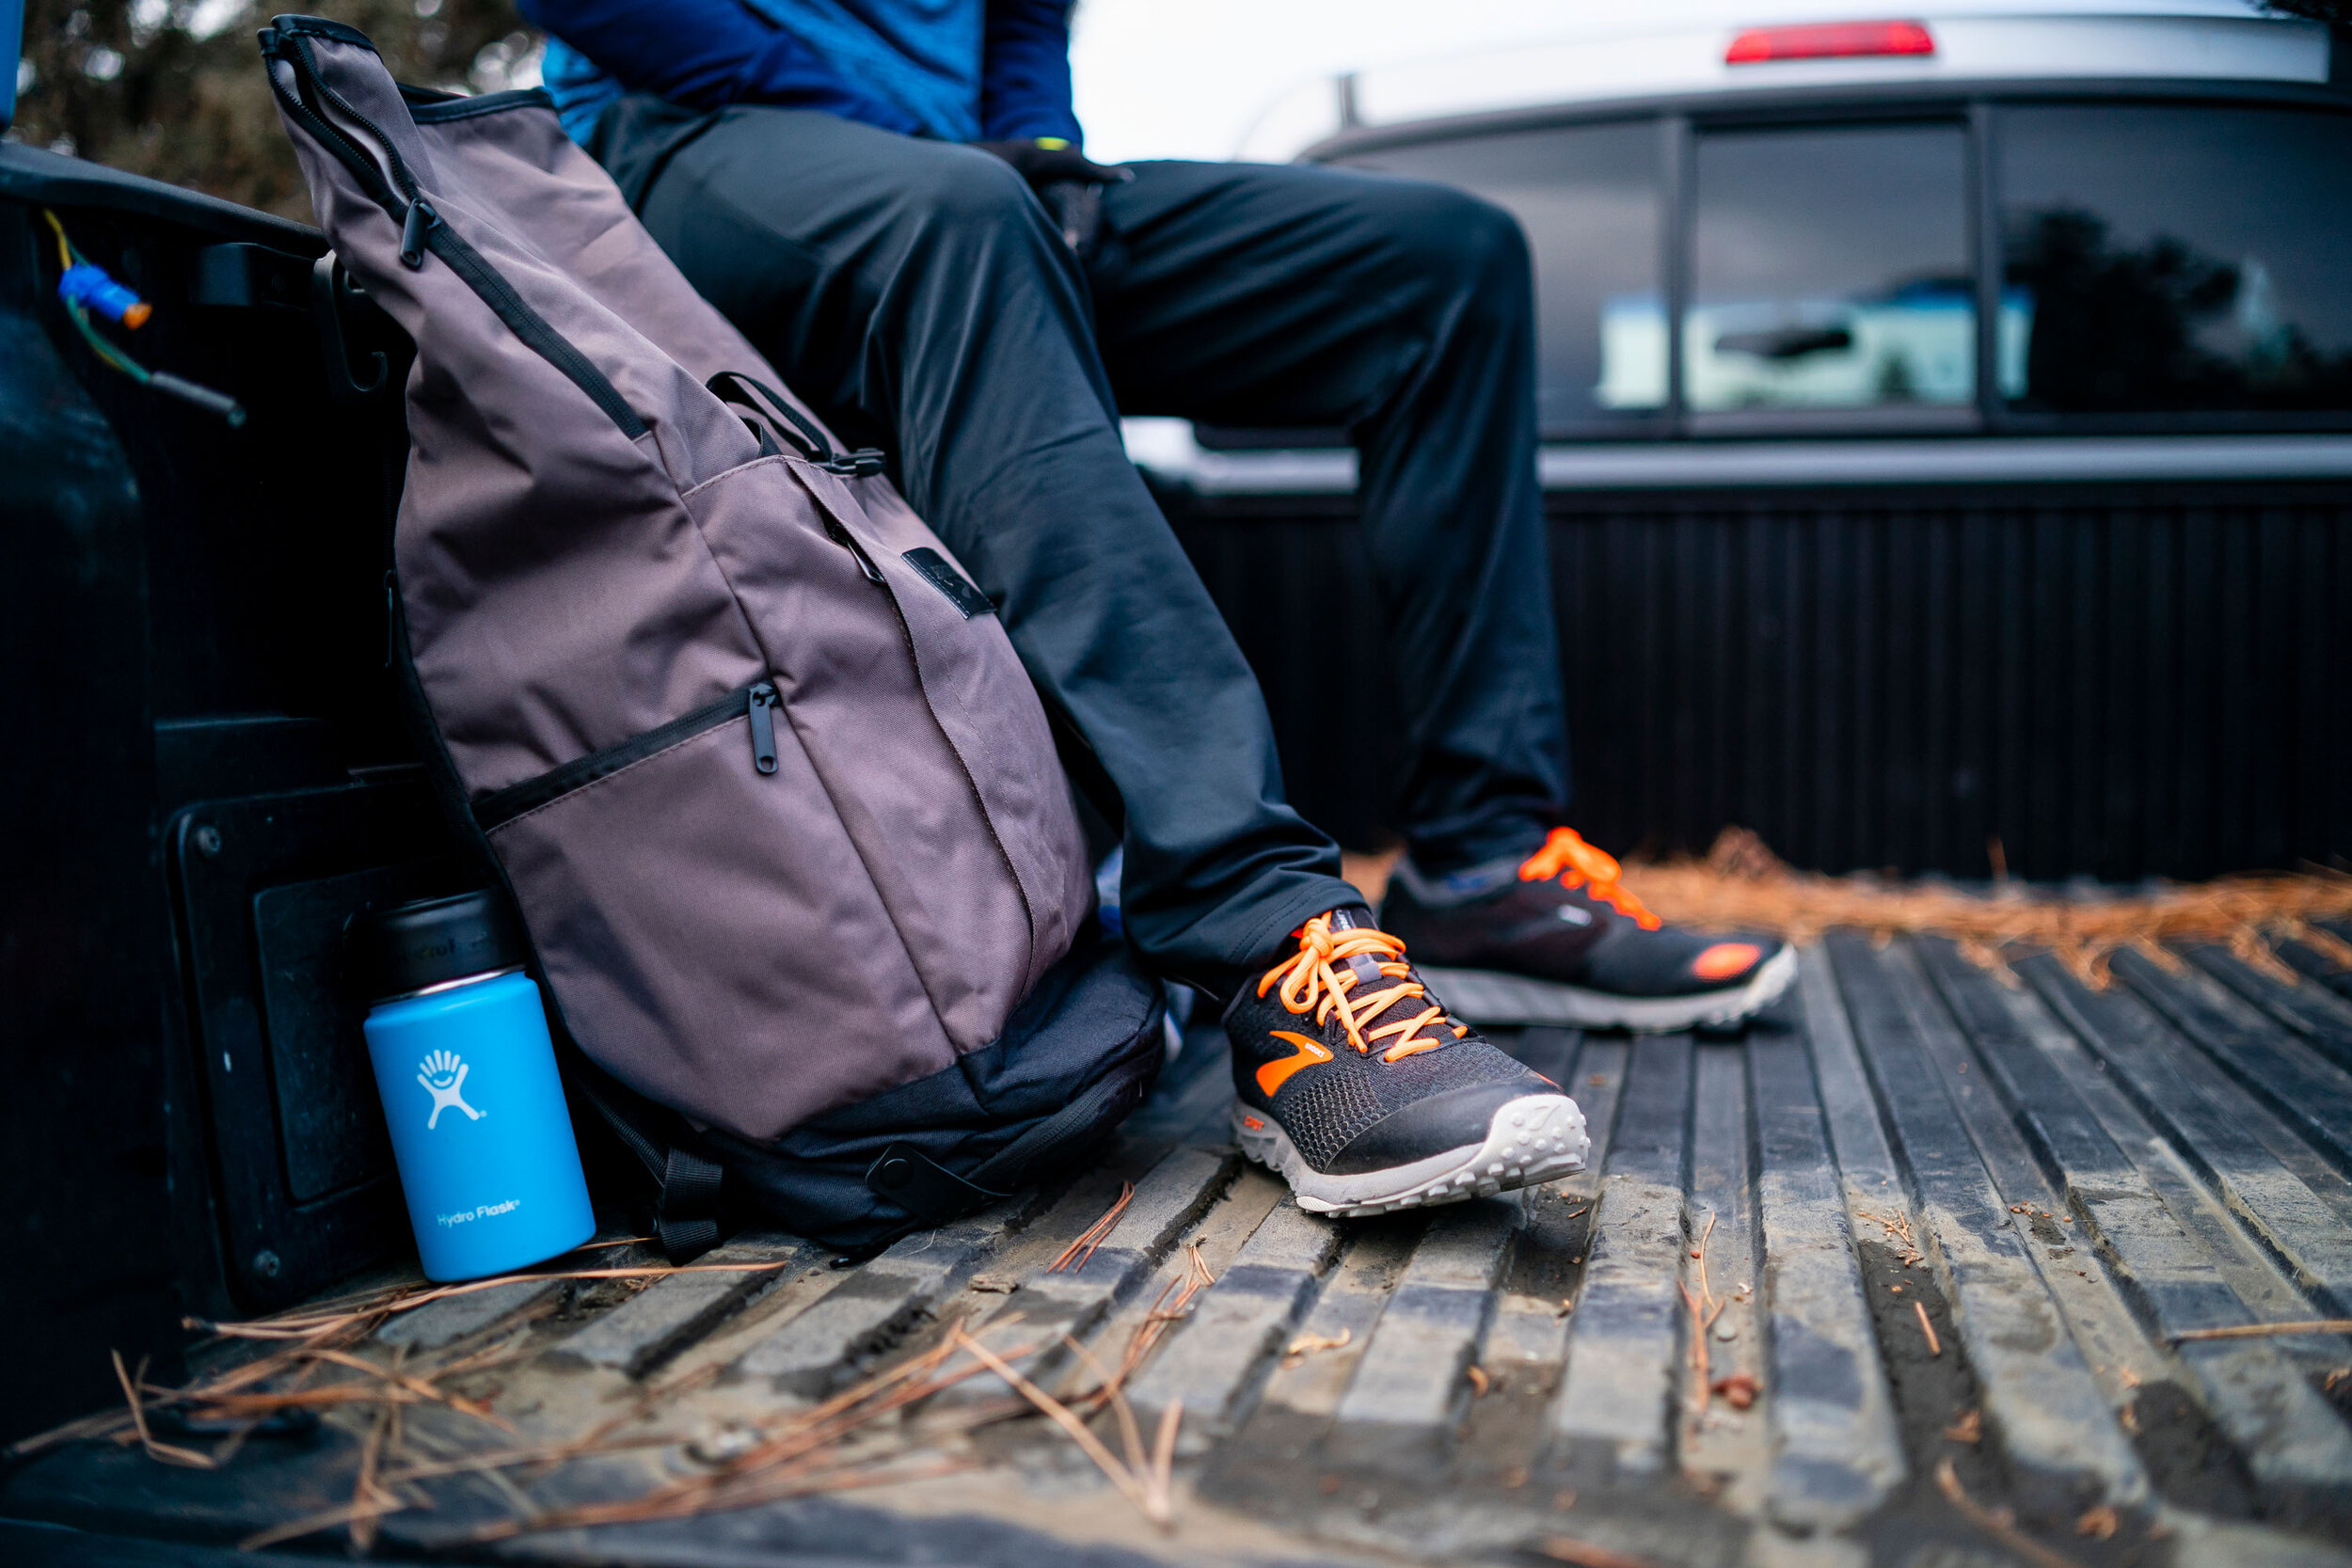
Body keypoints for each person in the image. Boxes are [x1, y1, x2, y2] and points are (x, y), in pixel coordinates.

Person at [517, 0, 1794, 1216]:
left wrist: (1049, 153)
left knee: (1446, 265)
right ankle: (1267, 944)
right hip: (685, 143)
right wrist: (926, 143)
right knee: (960, 218)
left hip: (967, 175)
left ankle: (1484, 863)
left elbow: (1020, 20)